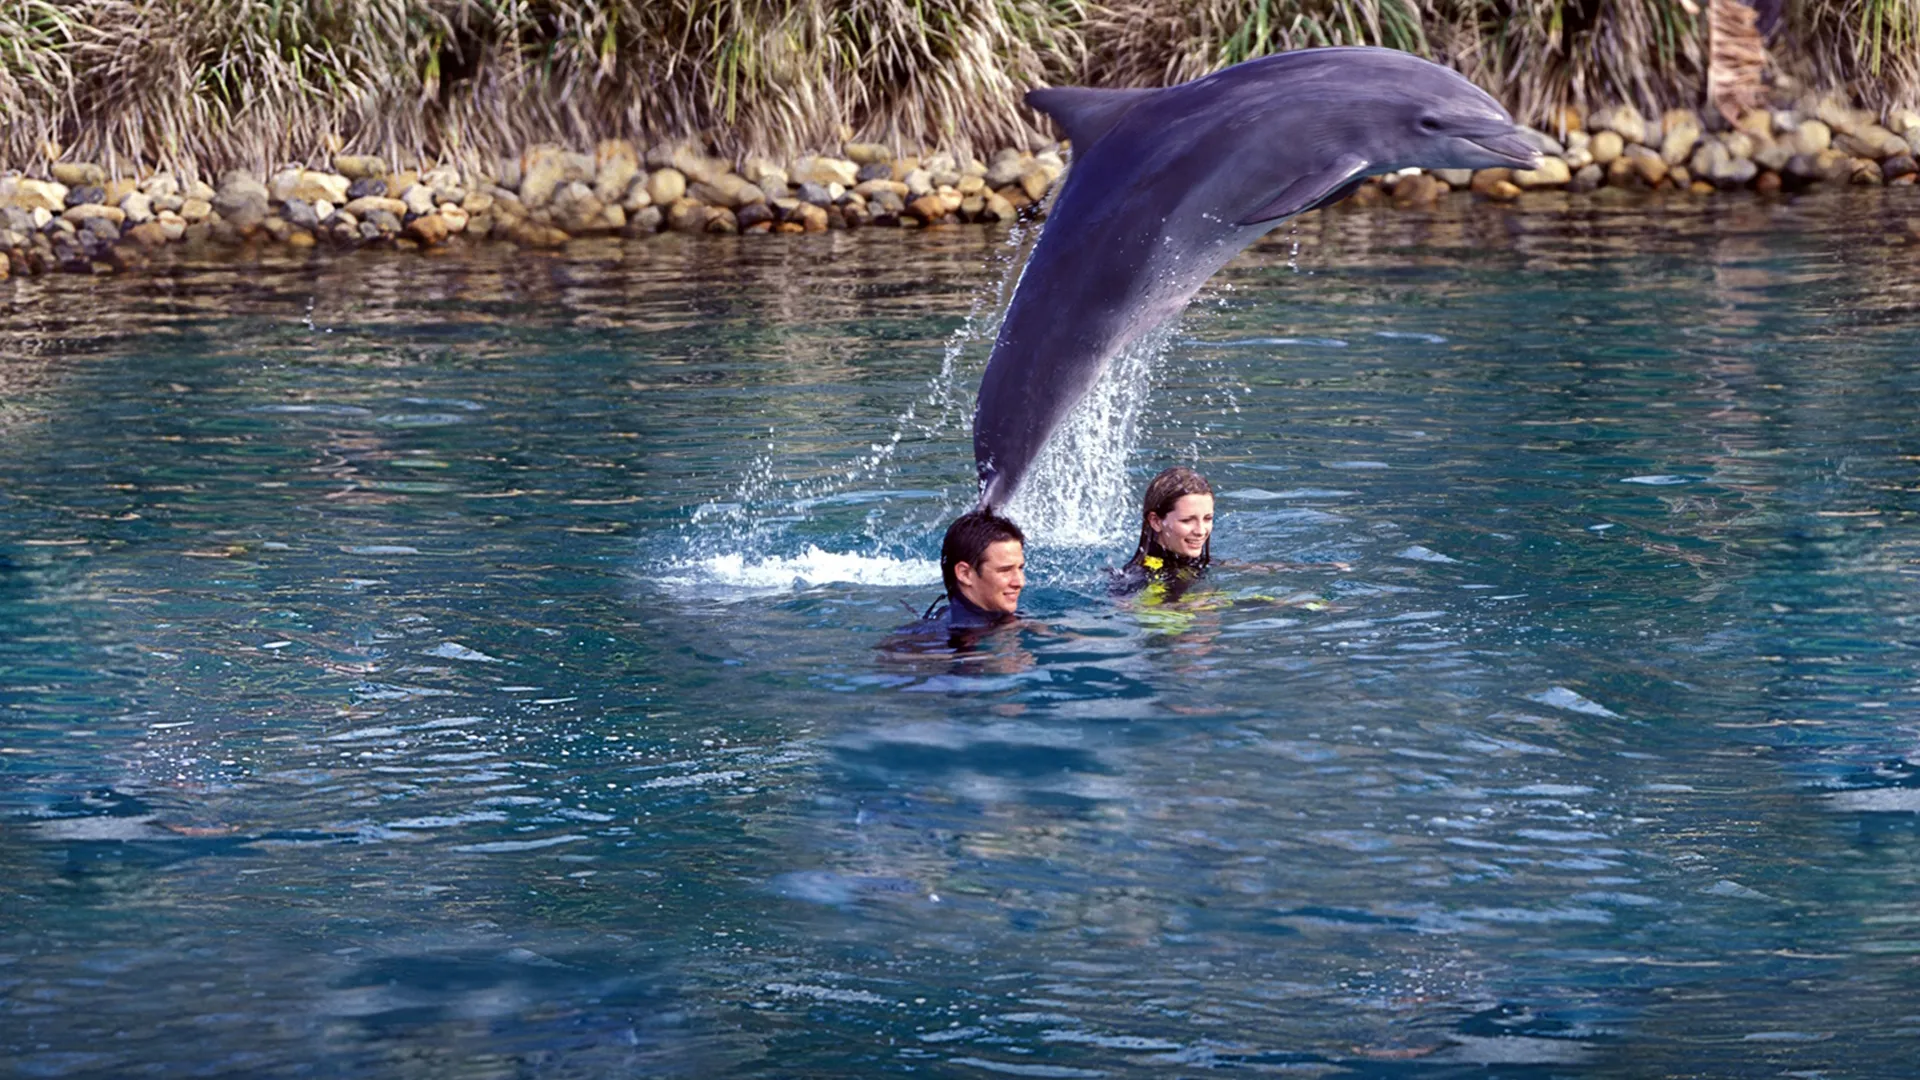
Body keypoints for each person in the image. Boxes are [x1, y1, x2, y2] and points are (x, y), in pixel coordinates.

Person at [1112, 466, 1214, 599]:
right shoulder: (1145, 580)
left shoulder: (1198, 562)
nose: (1200, 531)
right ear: (1156, 521)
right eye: (1187, 520)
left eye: (1208, 518)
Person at [923, 508, 1027, 631]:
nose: (1020, 582)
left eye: (1020, 568)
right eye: (1005, 570)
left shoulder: (999, 615)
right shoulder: (950, 640)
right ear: (965, 574)